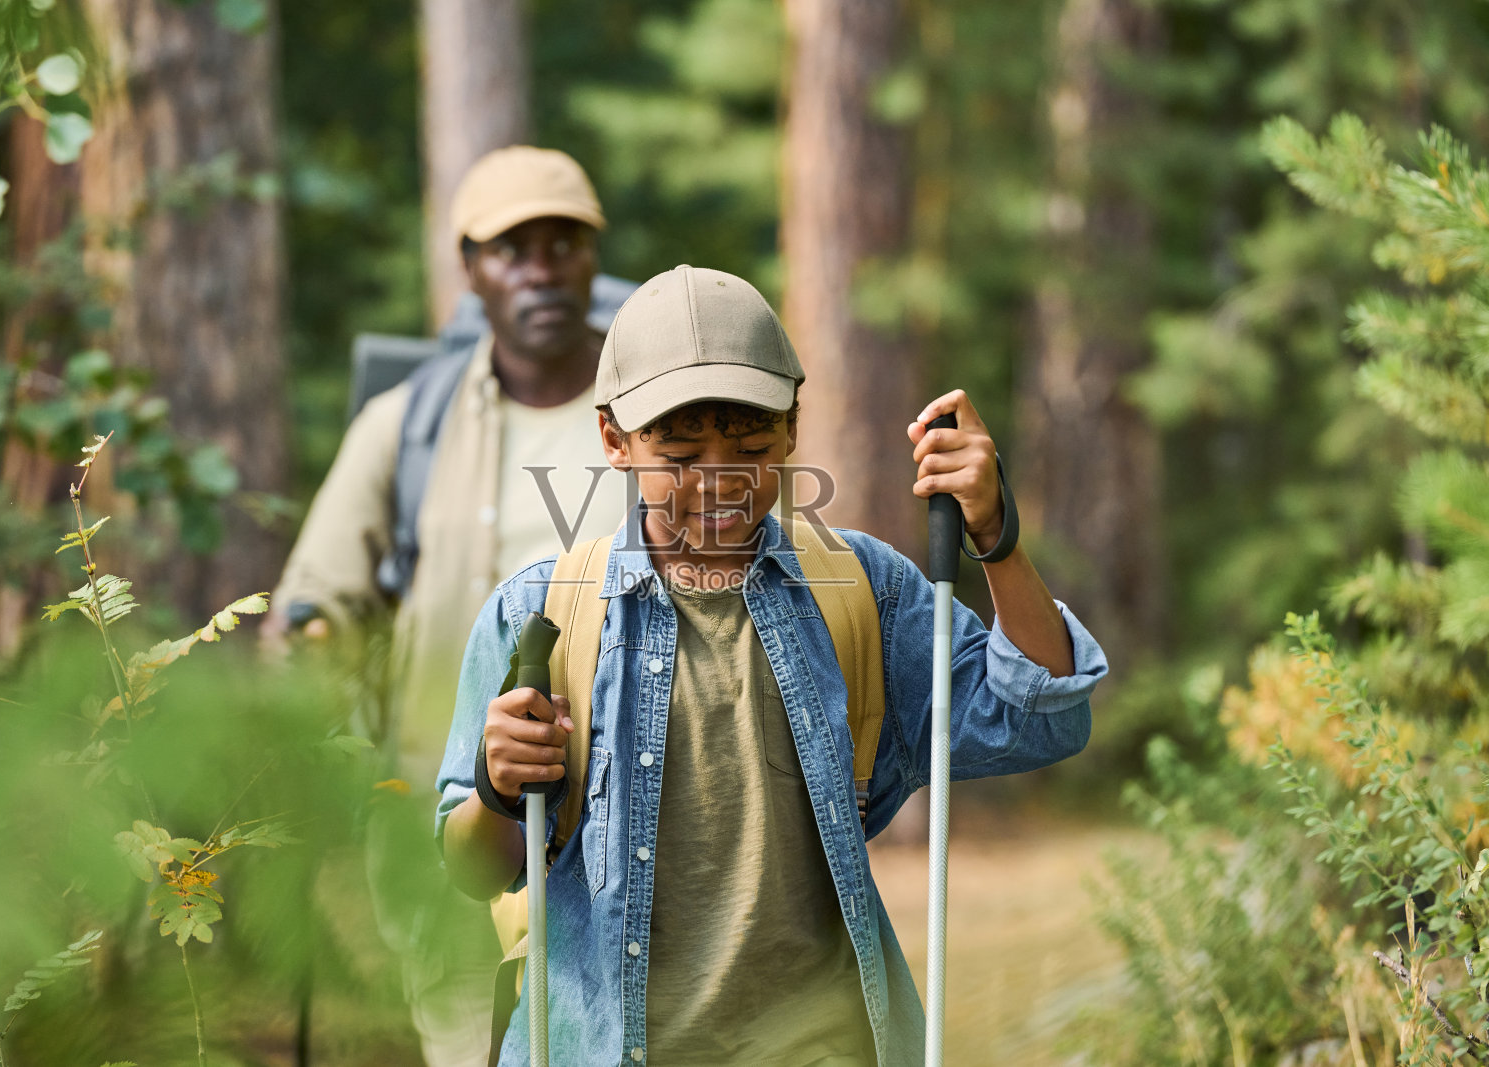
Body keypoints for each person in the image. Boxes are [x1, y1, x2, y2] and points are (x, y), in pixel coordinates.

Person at [435, 264, 1109, 1065]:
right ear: (615, 439)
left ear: (793, 426)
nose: (720, 479)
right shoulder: (537, 617)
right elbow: (474, 870)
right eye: (680, 455)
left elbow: (1041, 720)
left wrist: (994, 533)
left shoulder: (865, 593)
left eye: (751, 446)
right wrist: (497, 785)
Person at [267, 147, 634, 1066]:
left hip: (630, 813)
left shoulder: (658, 415)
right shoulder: (407, 423)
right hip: (458, 823)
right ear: (469, 268)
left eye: (563, 243)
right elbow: (312, 606)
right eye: (513, 249)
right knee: (470, 1040)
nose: (542, 269)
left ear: (593, 258)